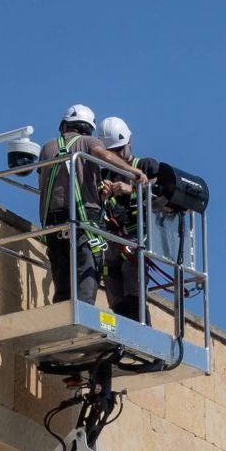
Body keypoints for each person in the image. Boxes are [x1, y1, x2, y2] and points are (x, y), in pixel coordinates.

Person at [36, 104, 142, 306]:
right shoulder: (88, 142)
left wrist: (99, 190)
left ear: (64, 126)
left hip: (54, 226)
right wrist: (132, 172)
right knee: (86, 280)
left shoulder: (47, 148)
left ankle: (62, 318)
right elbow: (103, 155)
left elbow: (48, 183)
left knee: (63, 285)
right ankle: (82, 318)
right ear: (89, 129)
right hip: (85, 225)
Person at [96, 116, 147, 321]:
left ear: (129, 141)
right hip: (111, 241)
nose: (116, 155)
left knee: (132, 284)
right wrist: (103, 196)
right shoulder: (102, 173)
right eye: (112, 152)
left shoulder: (143, 166)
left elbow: (160, 197)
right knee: (113, 289)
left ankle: (143, 334)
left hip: (136, 239)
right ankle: (126, 334)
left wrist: (132, 189)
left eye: (119, 149)